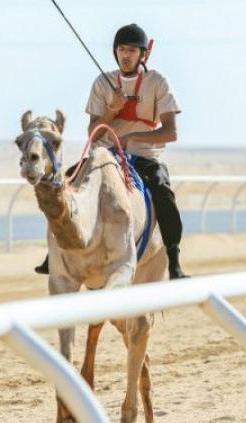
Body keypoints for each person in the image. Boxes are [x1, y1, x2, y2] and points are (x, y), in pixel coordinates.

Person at [35, 23, 189, 279]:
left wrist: (132, 137)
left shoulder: (157, 82)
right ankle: (55, 253)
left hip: (145, 158)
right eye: (121, 49)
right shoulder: (102, 82)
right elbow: (93, 131)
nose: (125, 55)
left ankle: (174, 258)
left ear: (144, 55)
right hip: (104, 155)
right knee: (66, 185)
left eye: (131, 50)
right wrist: (112, 109)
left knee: (163, 191)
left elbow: (171, 132)